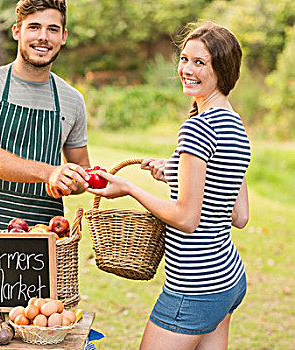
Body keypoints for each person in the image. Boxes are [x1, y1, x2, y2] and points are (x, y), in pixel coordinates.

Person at [86, 22, 250, 350]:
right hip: (228, 280)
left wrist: (130, 188)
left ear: (223, 70)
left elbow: (187, 219)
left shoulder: (197, 129)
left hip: (194, 286)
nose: (187, 69)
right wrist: (174, 172)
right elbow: (238, 214)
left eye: (200, 62)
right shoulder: (235, 123)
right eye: (184, 59)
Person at [0, 0, 90, 233]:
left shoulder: (72, 99)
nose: (43, 37)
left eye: (53, 29)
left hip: (45, 230)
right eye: (34, 27)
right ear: (17, 32)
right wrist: (50, 173)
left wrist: (75, 180)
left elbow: (81, 173)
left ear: (63, 36)